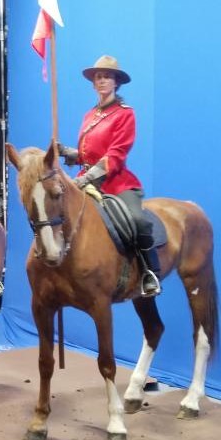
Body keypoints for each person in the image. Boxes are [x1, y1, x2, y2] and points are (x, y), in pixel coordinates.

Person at [57, 55, 162, 297]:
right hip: (86, 178)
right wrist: (66, 152)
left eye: (107, 77)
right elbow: (88, 154)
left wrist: (84, 179)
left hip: (116, 182)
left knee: (138, 220)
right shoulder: (90, 115)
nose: (102, 81)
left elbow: (115, 154)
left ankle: (149, 272)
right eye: (98, 77)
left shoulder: (125, 114)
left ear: (117, 82)